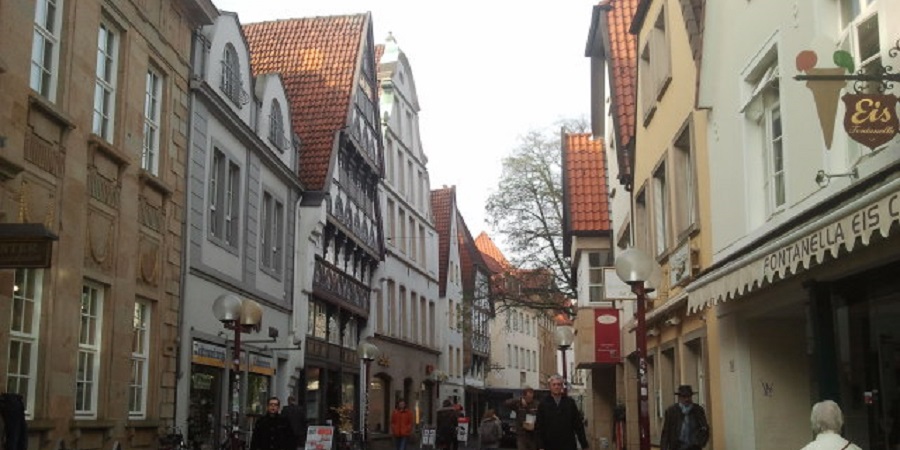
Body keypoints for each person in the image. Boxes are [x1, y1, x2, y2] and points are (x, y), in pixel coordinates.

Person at [536, 375, 589, 450]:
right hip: (549, 444)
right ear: (550, 387)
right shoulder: (543, 404)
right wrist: (540, 446)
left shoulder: (570, 403)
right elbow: (539, 427)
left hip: (568, 444)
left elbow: (578, 425)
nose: (556, 387)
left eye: (559, 384)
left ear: (562, 386)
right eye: (554, 384)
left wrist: (584, 444)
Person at [660, 385, 710, 450]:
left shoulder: (698, 410)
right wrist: (664, 448)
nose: (687, 399)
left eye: (688, 396)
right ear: (679, 397)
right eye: (684, 397)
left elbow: (705, 427)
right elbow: (666, 432)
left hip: (694, 447)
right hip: (677, 447)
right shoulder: (671, 411)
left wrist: (701, 442)